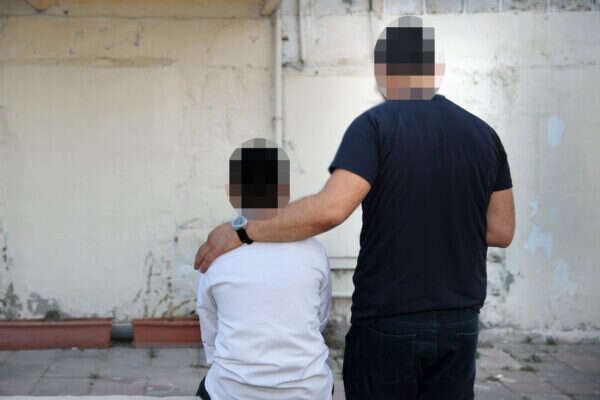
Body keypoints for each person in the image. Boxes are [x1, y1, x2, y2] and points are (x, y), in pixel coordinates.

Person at [195, 17, 515, 400]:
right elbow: (502, 230)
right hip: (459, 322)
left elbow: (331, 209)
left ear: (382, 70)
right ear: (437, 69)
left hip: (389, 322)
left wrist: (243, 232)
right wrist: (439, 220)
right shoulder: (484, 135)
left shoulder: (375, 127)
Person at [195, 138, 334, 400]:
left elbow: (210, 326)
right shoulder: (314, 251)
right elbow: (320, 318)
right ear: (286, 192)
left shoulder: (215, 252)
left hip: (233, 391)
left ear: (231, 192)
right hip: (308, 391)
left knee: (213, 383)